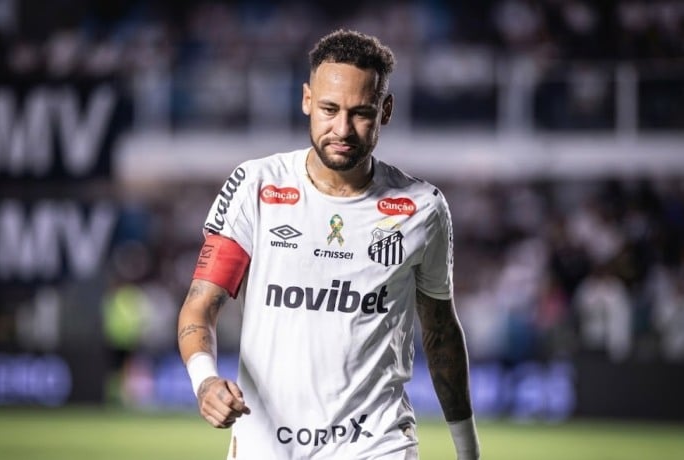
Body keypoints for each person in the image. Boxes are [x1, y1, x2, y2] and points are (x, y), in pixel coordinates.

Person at [178, 29, 480, 460]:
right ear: (306, 100)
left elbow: (440, 332)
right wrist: (205, 380)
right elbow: (201, 303)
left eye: (361, 113)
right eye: (329, 109)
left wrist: (469, 451)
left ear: (386, 110)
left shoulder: (422, 208)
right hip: (268, 446)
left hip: (377, 445)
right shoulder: (256, 186)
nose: (342, 129)